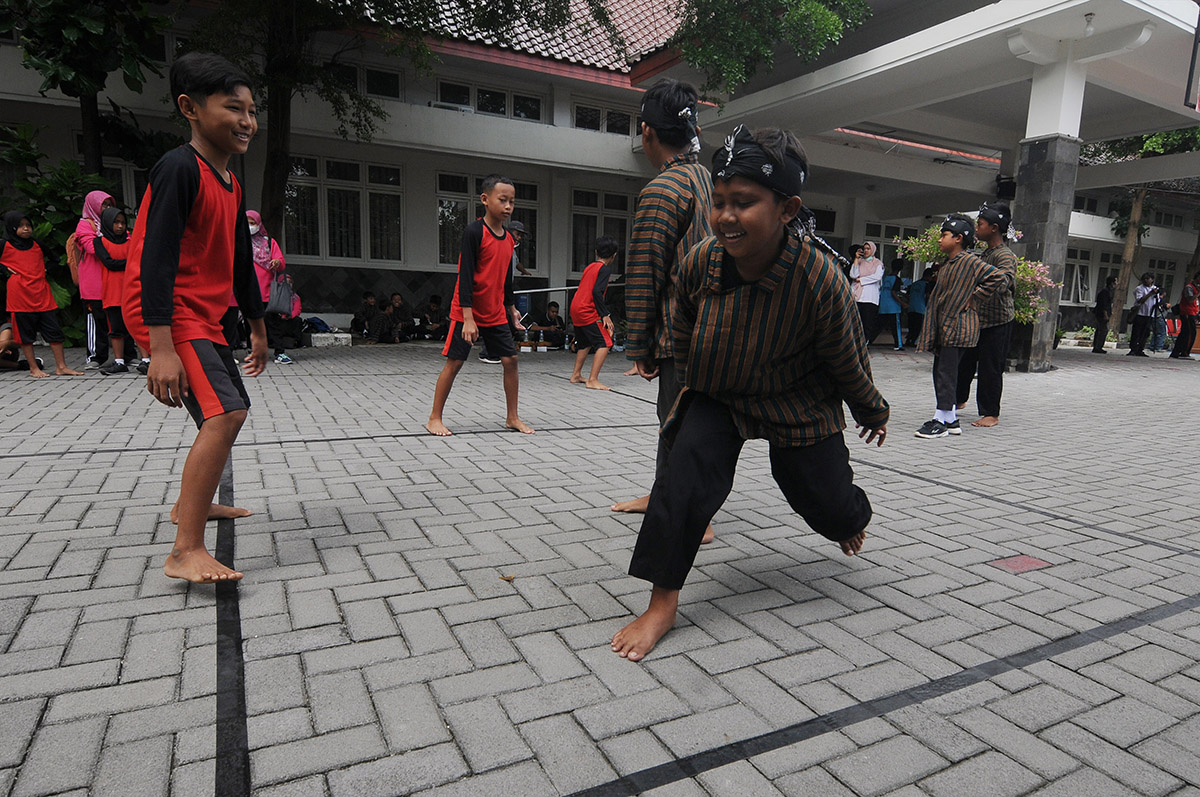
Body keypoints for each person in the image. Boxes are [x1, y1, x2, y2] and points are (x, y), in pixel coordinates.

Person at [611, 126, 888, 662]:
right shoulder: (702, 262)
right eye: (719, 203)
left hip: (797, 400)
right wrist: (691, 374)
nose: (726, 216)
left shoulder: (820, 279)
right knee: (682, 476)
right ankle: (662, 603)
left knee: (824, 502)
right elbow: (681, 317)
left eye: (744, 203)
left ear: (787, 209)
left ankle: (850, 519)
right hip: (722, 393)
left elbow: (847, 356)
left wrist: (871, 408)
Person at [122, 52, 268, 583]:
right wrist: (159, 348)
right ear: (190, 108)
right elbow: (153, 259)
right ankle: (185, 549)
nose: (247, 121)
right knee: (224, 414)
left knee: (230, 411)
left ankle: (195, 505)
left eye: (251, 110)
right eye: (234, 108)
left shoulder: (229, 181)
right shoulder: (179, 168)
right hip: (169, 313)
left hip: (204, 316)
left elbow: (238, 261)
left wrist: (257, 326)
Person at [614, 77, 713, 521]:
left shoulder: (662, 190)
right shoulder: (707, 180)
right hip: (715, 328)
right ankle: (667, 497)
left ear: (646, 131)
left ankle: (689, 517)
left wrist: (639, 346)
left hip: (681, 332)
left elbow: (645, 273)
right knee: (692, 421)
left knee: (677, 422)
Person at [425, 174, 533, 436]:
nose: (508, 206)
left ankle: (512, 417)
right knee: (455, 362)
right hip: (466, 311)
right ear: (485, 200)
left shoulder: (509, 239)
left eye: (512, 201)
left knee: (511, 360)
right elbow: (465, 275)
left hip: (495, 311)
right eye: (503, 200)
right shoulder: (474, 232)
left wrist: (511, 308)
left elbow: (506, 280)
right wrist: (468, 317)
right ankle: (434, 418)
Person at [913, 214, 1005, 439]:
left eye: (944, 235)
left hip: (958, 328)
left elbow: (998, 277)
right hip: (947, 327)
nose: (940, 239)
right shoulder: (949, 264)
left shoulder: (969, 261)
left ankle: (940, 420)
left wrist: (976, 298)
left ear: (958, 238)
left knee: (946, 374)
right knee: (942, 372)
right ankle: (950, 419)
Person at [955, 202, 1017, 428]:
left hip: (998, 322)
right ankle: (958, 400)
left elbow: (1005, 280)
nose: (976, 228)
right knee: (965, 363)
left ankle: (990, 413)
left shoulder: (1004, 255)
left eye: (980, 224)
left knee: (990, 368)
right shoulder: (986, 253)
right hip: (978, 321)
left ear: (994, 228)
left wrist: (976, 295)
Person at [0, 211, 84, 378]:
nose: (26, 229)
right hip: (19, 295)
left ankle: (61, 366)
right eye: (21, 225)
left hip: (42, 292)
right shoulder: (3, 244)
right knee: (26, 334)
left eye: (28, 225)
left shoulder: (37, 243)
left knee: (54, 330)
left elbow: (55, 259)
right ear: (12, 227)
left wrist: (46, 270)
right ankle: (33, 368)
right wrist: (4, 270)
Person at [569, 236, 619, 390]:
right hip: (587, 310)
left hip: (576, 307)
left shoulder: (590, 267)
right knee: (605, 343)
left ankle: (576, 375)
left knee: (584, 343)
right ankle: (593, 380)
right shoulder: (604, 270)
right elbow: (597, 292)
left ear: (596, 252)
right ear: (614, 255)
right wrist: (605, 315)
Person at [75, 190, 116, 368]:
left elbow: (128, 244)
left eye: (109, 204)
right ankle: (96, 357)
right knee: (95, 319)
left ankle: (127, 355)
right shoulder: (85, 225)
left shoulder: (115, 222)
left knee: (118, 319)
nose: (107, 208)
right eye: (103, 204)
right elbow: (92, 248)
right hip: (93, 283)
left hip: (114, 281)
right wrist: (115, 244)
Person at [246, 210, 293, 364]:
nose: (249, 226)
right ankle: (253, 352)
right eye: (246, 222)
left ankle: (280, 352)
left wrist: (277, 262)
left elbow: (280, 260)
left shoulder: (268, 242)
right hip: (247, 289)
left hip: (267, 291)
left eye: (252, 223)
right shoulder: (240, 241)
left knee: (273, 323)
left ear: (259, 224)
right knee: (250, 323)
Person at [94, 207, 134, 374]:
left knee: (136, 326)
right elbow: (108, 262)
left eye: (123, 223)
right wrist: (128, 262)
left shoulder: (131, 241)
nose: (120, 226)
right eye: (116, 222)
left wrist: (127, 262)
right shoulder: (99, 242)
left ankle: (147, 360)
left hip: (131, 288)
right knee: (116, 328)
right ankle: (119, 361)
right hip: (112, 290)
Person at [850, 241, 884, 342]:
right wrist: (856, 259)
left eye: (868, 249)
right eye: (864, 248)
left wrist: (861, 280)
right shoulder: (860, 261)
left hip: (870, 298)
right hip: (857, 296)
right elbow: (853, 274)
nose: (866, 251)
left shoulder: (878, 263)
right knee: (856, 321)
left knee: (867, 322)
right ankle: (855, 341)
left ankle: (865, 342)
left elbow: (877, 277)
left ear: (873, 250)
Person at [1128, 273, 1164, 357]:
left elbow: (1158, 300)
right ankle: (1133, 349)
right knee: (1136, 332)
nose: (1146, 280)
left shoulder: (1155, 289)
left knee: (1145, 333)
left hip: (1150, 314)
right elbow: (1140, 300)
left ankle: (1140, 349)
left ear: (1152, 279)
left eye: (1148, 279)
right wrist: (1150, 294)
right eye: (1145, 279)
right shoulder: (1139, 288)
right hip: (1140, 313)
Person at [878, 259, 908, 351]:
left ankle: (868, 341)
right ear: (901, 268)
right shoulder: (897, 279)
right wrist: (902, 303)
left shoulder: (886, 278)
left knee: (878, 326)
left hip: (883, 305)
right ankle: (898, 344)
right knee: (896, 326)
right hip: (893, 307)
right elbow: (893, 292)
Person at [1169, 271, 1198, 359]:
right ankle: (1185, 352)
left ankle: (1177, 352)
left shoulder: (1196, 287)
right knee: (1190, 333)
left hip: (1193, 312)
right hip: (1187, 312)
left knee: (1185, 333)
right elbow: (1189, 300)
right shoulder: (1190, 287)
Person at [906, 268, 931, 347]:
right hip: (920, 308)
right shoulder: (926, 285)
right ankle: (913, 341)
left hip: (911, 307)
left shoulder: (914, 284)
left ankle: (908, 340)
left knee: (911, 326)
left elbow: (907, 294)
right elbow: (927, 296)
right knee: (918, 326)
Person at [1092, 275, 1117, 354]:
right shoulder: (1105, 292)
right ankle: (1098, 346)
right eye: (1115, 282)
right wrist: (1105, 314)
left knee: (1100, 329)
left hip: (1101, 312)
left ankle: (1097, 346)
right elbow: (1104, 304)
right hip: (1101, 313)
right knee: (1103, 330)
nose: (1116, 284)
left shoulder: (1107, 291)